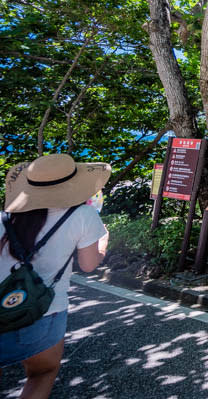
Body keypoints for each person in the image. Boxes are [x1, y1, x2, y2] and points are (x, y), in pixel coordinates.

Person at [0, 154, 110, 399]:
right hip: (43, 312)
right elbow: (89, 265)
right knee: (41, 374)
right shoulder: (83, 216)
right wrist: (102, 245)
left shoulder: (4, 217)